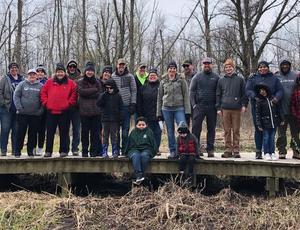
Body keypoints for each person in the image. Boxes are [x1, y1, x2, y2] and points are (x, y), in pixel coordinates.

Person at [245, 61, 284, 159]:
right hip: (258, 108)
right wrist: (255, 96)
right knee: (259, 129)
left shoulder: (274, 79)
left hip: (271, 109)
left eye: (265, 67)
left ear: (268, 68)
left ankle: (270, 151)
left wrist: (276, 98)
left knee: (270, 130)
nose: (263, 69)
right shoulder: (253, 78)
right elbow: (248, 90)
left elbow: (280, 90)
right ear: (258, 68)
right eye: (261, 67)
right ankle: (259, 151)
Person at [41, 63, 77, 157]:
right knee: (50, 132)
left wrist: (68, 104)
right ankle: (48, 151)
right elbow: (43, 93)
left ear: (64, 73)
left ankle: (63, 151)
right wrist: (46, 103)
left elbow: (74, 94)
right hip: (51, 111)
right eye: (58, 72)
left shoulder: (70, 83)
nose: (59, 74)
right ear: (55, 73)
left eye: (61, 72)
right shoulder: (49, 82)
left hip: (64, 111)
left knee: (64, 132)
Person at [157, 61, 191, 158]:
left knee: (183, 129)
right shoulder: (163, 81)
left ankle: (184, 150)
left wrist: (187, 112)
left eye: (174, 69)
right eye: (170, 69)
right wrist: (159, 114)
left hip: (179, 108)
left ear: (176, 70)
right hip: (166, 109)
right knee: (170, 131)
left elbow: (186, 96)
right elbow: (159, 98)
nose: (172, 70)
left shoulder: (181, 80)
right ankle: (173, 151)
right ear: (167, 70)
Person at [216, 59, 248, 158]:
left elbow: (244, 94)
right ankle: (228, 150)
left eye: (230, 67)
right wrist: (218, 108)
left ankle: (236, 150)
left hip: (236, 108)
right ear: (224, 69)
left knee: (236, 130)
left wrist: (244, 105)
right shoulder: (221, 80)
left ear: (233, 68)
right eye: (226, 67)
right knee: (226, 130)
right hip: (225, 108)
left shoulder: (240, 79)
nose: (228, 68)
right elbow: (218, 95)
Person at [190, 57, 219, 157]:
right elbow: (192, 91)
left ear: (211, 65)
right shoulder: (197, 77)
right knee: (196, 128)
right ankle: (196, 148)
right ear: (202, 65)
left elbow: (219, 92)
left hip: (212, 106)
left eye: (208, 64)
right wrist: (194, 105)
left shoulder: (216, 77)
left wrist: (218, 105)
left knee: (211, 128)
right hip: (199, 106)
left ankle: (210, 149)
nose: (206, 65)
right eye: (205, 64)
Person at [13, 69, 43, 157]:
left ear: (36, 76)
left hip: (35, 115)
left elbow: (43, 99)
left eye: (34, 74)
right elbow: (16, 96)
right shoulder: (22, 84)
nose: (32, 76)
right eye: (30, 74)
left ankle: (30, 151)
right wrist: (19, 108)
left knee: (33, 134)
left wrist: (41, 110)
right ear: (27, 75)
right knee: (20, 133)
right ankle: (17, 151)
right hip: (22, 114)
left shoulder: (41, 86)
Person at [111, 58, 137, 154]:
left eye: (123, 65)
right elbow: (111, 90)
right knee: (116, 131)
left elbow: (134, 90)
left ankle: (125, 150)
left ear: (125, 66)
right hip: (116, 107)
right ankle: (116, 149)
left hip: (127, 107)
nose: (121, 67)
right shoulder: (113, 76)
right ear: (117, 65)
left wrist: (133, 103)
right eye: (119, 65)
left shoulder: (130, 76)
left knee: (125, 131)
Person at [77, 62, 102, 157]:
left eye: (91, 71)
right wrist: (94, 90)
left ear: (94, 72)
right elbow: (81, 92)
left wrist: (88, 93)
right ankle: (84, 151)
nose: (90, 72)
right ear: (85, 71)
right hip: (84, 112)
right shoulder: (80, 81)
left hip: (96, 112)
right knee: (84, 133)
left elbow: (99, 94)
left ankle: (93, 151)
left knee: (95, 134)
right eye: (88, 70)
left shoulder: (98, 82)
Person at [276, 59, 299, 159]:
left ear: (290, 66)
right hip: (281, 110)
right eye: (283, 65)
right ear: (280, 66)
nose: (285, 66)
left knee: (295, 132)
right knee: (281, 132)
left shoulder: (296, 74)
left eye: (287, 65)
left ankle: (296, 151)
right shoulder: (276, 76)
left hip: (294, 110)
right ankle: (282, 151)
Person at [124, 117, 157, 185]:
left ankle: (142, 175)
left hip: (146, 149)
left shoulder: (149, 131)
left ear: (146, 125)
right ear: (136, 125)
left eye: (143, 124)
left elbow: (153, 144)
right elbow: (130, 144)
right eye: (139, 125)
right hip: (134, 149)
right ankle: (139, 175)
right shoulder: (133, 132)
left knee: (144, 155)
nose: (141, 126)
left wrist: (154, 150)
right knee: (136, 155)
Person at [0, 62, 24, 156]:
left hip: (18, 110)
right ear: (9, 69)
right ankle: (3, 150)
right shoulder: (5, 79)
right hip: (6, 110)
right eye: (12, 68)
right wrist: (3, 103)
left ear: (18, 69)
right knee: (5, 130)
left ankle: (15, 150)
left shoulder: (22, 79)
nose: (14, 69)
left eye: (15, 68)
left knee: (16, 131)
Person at [255, 84, 284, 160]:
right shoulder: (259, 101)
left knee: (272, 138)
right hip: (265, 123)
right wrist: (259, 125)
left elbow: (279, 110)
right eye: (261, 91)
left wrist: (281, 119)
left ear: (266, 90)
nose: (262, 92)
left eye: (263, 90)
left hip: (274, 122)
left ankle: (272, 152)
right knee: (266, 137)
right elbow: (258, 114)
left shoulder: (273, 99)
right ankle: (266, 153)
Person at [97, 78, 123, 158]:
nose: (109, 89)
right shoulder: (104, 95)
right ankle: (104, 150)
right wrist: (103, 94)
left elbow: (121, 107)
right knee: (105, 135)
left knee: (114, 136)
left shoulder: (118, 96)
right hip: (105, 119)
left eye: (110, 88)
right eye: (107, 88)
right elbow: (98, 103)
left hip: (115, 119)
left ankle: (115, 150)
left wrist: (120, 118)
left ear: (114, 87)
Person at [137, 67, 162, 151]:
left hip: (158, 115)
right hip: (146, 115)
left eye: (154, 75)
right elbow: (139, 101)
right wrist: (140, 114)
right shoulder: (143, 87)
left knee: (157, 133)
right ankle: (148, 148)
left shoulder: (161, 86)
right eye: (151, 75)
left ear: (157, 77)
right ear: (148, 77)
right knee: (148, 133)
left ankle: (156, 148)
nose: (152, 77)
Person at [66, 59, 81, 156]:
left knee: (76, 129)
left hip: (77, 107)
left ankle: (75, 148)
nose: (72, 68)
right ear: (67, 68)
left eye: (74, 67)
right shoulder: (63, 77)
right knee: (65, 130)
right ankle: (65, 148)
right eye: (70, 67)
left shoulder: (81, 78)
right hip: (66, 107)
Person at [34, 64, 48, 155]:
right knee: (33, 129)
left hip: (45, 109)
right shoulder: (31, 81)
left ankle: (40, 147)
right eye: (38, 72)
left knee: (42, 130)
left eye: (41, 72)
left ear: (44, 73)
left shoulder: (48, 82)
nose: (40, 73)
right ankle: (32, 147)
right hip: (34, 109)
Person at [290, 74, 300, 158]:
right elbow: (292, 104)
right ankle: (295, 152)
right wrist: (295, 115)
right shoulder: (295, 90)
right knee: (295, 135)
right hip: (297, 117)